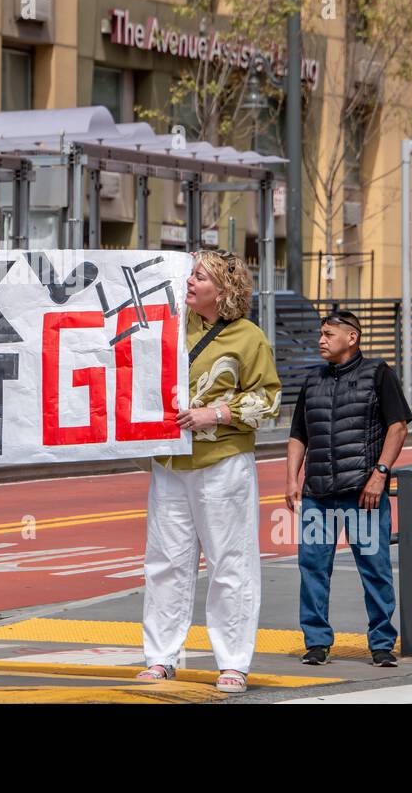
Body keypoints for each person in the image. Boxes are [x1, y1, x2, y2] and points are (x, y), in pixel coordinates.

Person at [137, 249, 282, 694]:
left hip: (223, 462)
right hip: (169, 463)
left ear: (223, 289)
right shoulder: (167, 329)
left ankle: (233, 662)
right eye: (191, 274)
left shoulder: (248, 338)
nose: (189, 282)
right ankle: (160, 657)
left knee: (230, 563)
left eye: (199, 276)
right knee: (164, 562)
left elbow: (270, 402)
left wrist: (216, 413)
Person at [285, 310, 412, 668]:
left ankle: (382, 644)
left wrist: (380, 474)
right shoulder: (312, 382)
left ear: (351, 337)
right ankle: (317, 642)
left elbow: (398, 427)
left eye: (328, 334)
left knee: (374, 568)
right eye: (320, 334)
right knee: (312, 568)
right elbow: (298, 435)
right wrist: (292, 478)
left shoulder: (378, 373)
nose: (321, 340)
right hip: (318, 494)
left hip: (363, 493)